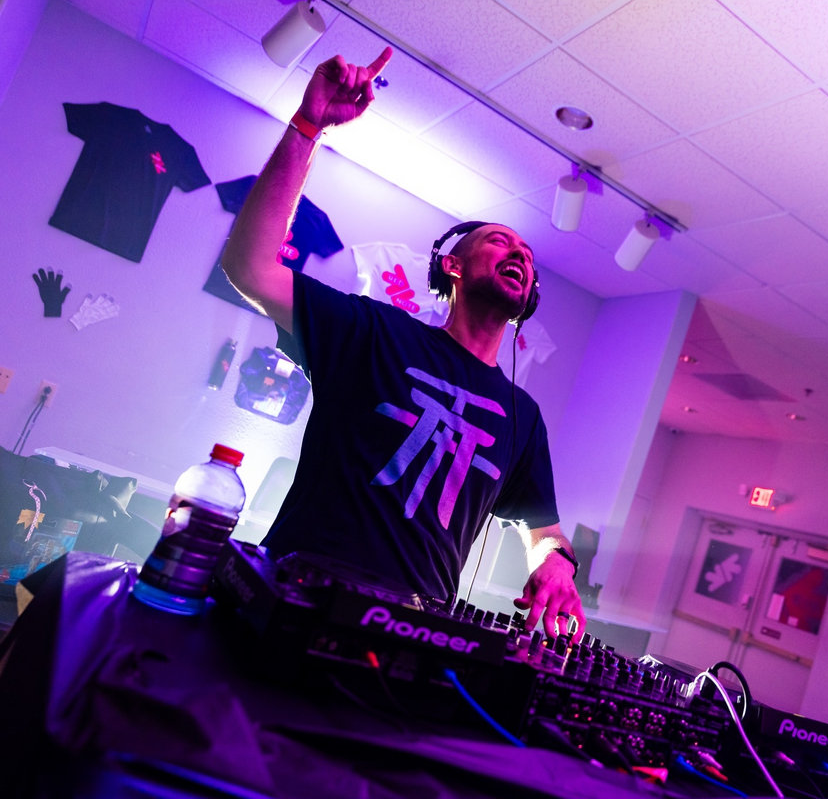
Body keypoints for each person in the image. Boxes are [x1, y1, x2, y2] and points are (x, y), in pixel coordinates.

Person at [222, 48, 584, 641]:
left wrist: (556, 565)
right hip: (297, 595)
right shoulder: (373, 331)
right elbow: (251, 267)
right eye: (499, 242)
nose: (520, 254)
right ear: (452, 266)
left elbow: (543, 530)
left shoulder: (524, 417)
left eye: (527, 255)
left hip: (415, 630)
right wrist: (307, 126)